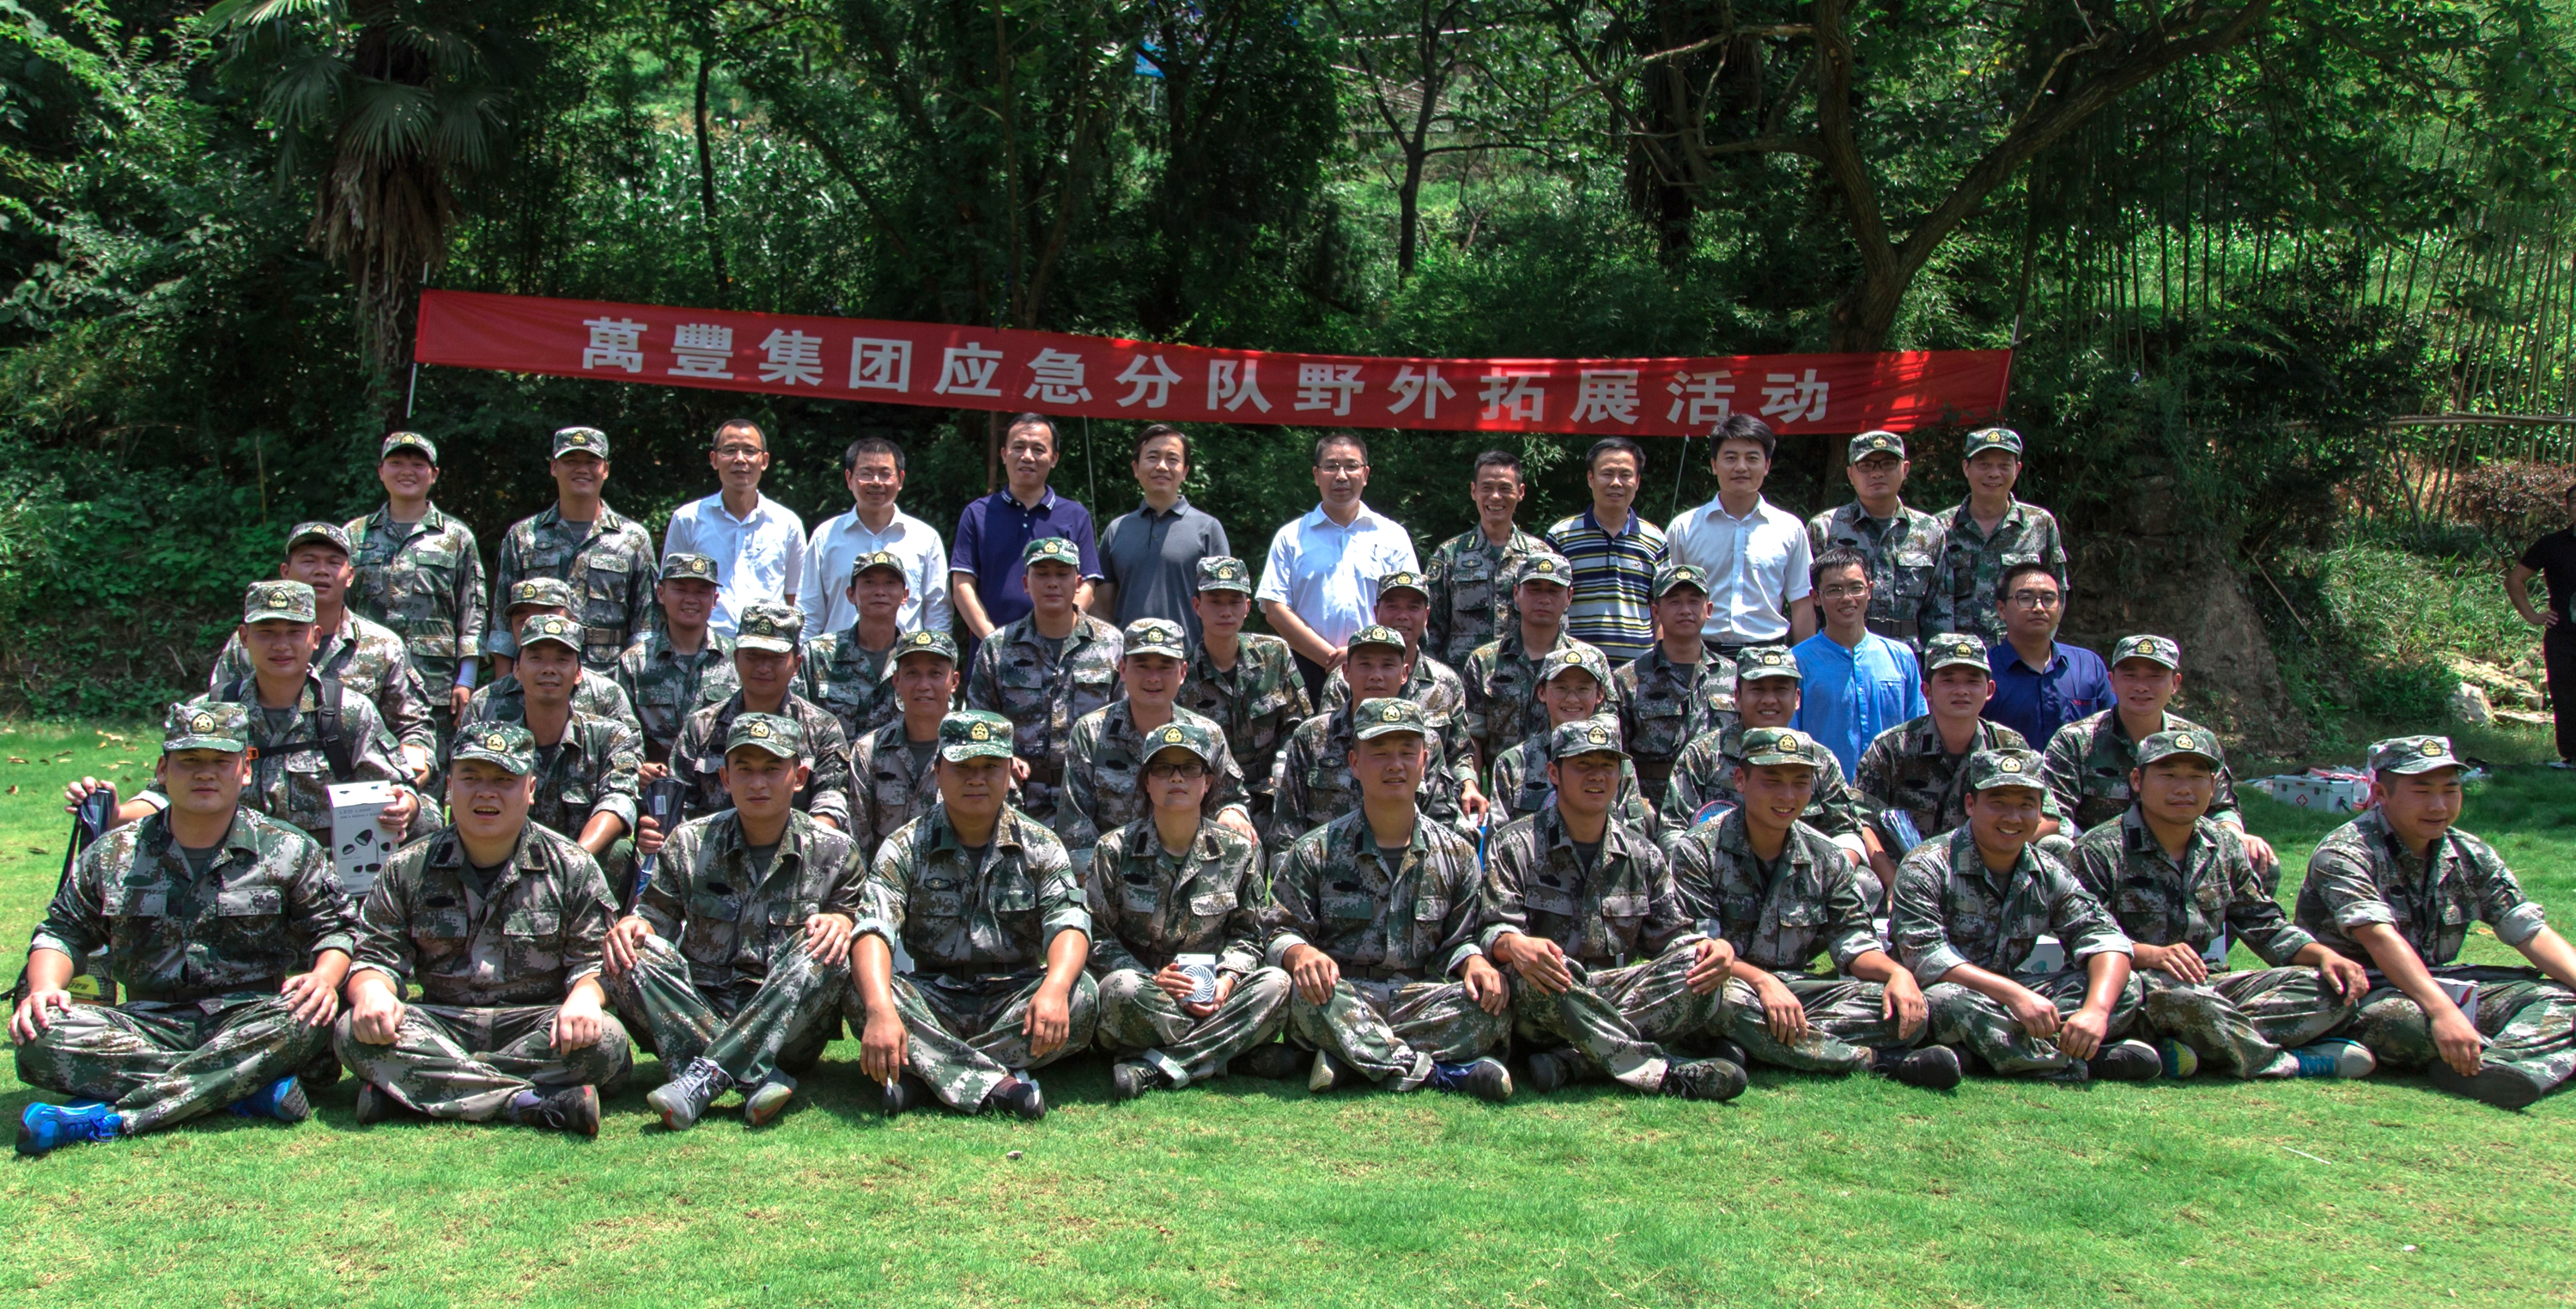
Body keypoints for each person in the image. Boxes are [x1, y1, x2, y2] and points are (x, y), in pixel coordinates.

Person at [15, 703, 353, 1158]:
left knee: (308, 1017)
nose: (204, 773)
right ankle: (246, 1089)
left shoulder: (288, 848)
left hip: (253, 1018)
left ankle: (110, 1119)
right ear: (162, 770)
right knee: (42, 1035)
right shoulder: (115, 852)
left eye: (220, 761)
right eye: (189, 760)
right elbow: (63, 932)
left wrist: (324, 978)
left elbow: (336, 930)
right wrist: (43, 989)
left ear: (245, 771)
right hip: (145, 1023)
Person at [334, 723, 628, 1134]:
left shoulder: (572, 867)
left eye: (504, 780)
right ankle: (528, 1102)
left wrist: (585, 997)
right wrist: (371, 991)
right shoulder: (407, 867)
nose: (486, 793)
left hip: (535, 1024)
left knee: (607, 1039)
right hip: (442, 1022)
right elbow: (376, 956)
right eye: (471, 778)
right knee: (353, 1030)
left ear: (530, 789)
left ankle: (414, 1089)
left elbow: (594, 963)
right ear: (449, 787)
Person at [2066, 730, 2374, 1081]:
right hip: (2134, 990)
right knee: (2184, 999)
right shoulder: (2100, 849)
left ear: (2213, 786)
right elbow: (2080, 938)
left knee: (2329, 988)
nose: (2184, 789)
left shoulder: (2223, 845)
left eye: (2196, 777)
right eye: (2169, 775)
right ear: (2137, 780)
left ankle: (2192, 1046)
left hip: (2205, 984)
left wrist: (2325, 956)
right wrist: (2151, 955)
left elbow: (2263, 923)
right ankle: (2288, 1062)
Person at [609, 713, 865, 1130]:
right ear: (725, 779)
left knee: (826, 945)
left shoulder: (836, 853)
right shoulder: (689, 843)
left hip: (789, 1029)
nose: (757, 783)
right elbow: (655, 919)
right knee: (632, 952)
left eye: (772, 769)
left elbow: (851, 926)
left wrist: (842, 921)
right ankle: (754, 1077)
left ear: (799, 777)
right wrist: (636, 928)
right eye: (744, 770)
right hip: (700, 1006)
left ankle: (703, 1075)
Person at [2293, 735, 2576, 1108]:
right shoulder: (2344, 852)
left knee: (2565, 999)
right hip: (2353, 995)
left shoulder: (2469, 852)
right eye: (2422, 791)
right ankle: (2509, 1056)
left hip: (2435, 985)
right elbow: (2379, 938)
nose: (2438, 805)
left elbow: (2527, 930)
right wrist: (2443, 1012)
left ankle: (2495, 1066)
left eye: (2450, 790)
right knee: (2405, 1022)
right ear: (2381, 793)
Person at [1667, 728, 1959, 1087]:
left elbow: (1855, 943)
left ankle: (1752, 1044)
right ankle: (1877, 1062)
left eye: (1801, 783)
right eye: (1772, 781)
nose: (1787, 796)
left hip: (1799, 993)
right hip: (1731, 984)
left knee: (1904, 1008)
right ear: (1740, 779)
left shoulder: (1827, 855)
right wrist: (1763, 982)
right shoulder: (1698, 850)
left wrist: (1897, 974)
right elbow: (1701, 950)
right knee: (1717, 1002)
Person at [1261, 698, 1515, 1099]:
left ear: (1425, 762)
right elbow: (1278, 931)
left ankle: (1352, 1059)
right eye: (1379, 753)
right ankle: (1440, 1074)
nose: (1395, 765)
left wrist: (1474, 961)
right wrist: (1300, 954)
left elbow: (1461, 939)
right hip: (1341, 994)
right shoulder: (1315, 850)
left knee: (1490, 1006)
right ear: (1355, 763)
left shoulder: (1458, 854)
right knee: (1297, 997)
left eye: (1407, 753)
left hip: (1421, 998)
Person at [1479, 719, 1744, 1100]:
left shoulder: (1643, 855)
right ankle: (1662, 1074)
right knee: (1529, 977)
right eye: (1583, 765)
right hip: (1547, 997)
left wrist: (1712, 950)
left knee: (1700, 973)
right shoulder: (1515, 845)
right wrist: (1514, 945)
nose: (1597, 776)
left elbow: (1674, 938)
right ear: (1554, 773)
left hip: (1617, 993)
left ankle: (1575, 1061)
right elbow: (1492, 928)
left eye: (1608, 766)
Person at [850, 710, 1096, 1121]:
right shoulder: (905, 845)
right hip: (934, 998)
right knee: (863, 993)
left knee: (1081, 994)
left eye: (990, 767)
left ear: (1010, 772)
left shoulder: (1042, 845)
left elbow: (1069, 922)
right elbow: (873, 928)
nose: (976, 779)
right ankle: (1001, 1087)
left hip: (1012, 998)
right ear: (938, 772)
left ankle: (925, 1073)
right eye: (962, 767)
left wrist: (1054, 988)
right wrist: (880, 1010)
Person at [76, 581, 420, 844]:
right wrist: (114, 813)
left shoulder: (348, 713)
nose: (280, 645)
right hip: (230, 881)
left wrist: (405, 805)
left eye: (294, 632)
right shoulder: (207, 713)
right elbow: (165, 796)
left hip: (325, 882)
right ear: (244, 637)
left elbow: (399, 792)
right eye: (266, 633)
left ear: (315, 637)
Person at [1888, 748, 2158, 1081]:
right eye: (1998, 803)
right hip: (1948, 991)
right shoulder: (1926, 865)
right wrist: (2014, 996)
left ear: (2040, 812)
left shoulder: (2047, 871)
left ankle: (1983, 1055)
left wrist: (2095, 1013)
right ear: (1971, 804)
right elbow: (1928, 959)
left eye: (2026, 805)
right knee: (1947, 1001)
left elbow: (2103, 937)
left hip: (2009, 996)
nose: (2013, 818)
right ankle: (2084, 1061)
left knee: (2123, 985)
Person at [1084, 719, 1294, 1100]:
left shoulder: (1238, 852)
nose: (1177, 778)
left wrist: (1227, 980)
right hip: (1147, 993)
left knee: (1275, 985)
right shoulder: (1113, 850)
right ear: (1147, 782)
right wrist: (1153, 978)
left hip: (1214, 994)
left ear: (1208, 782)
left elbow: (1249, 936)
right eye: (1163, 769)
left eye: (1190, 768)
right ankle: (1229, 1052)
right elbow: (1097, 937)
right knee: (1119, 989)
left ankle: (1156, 1066)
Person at [209, 521, 434, 782]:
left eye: (333, 562)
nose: (321, 571)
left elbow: (412, 726)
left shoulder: (383, 647)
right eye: (309, 561)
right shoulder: (248, 646)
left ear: (350, 576)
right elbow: (217, 715)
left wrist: (408, 781)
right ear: (285, 572)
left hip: (352, 786)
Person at [2042, 634, 2275, 877]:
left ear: (2175, 683)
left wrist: (2235, 835)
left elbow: (2222, 807)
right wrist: (2096, 852)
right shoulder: (2075, 741)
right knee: (2054, 846)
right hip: (2099, 861)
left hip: (2179, 855)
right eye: (2130, 676)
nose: (2142, 687)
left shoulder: (2199, 741)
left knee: (2258, 858)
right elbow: (2056, 813)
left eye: (2155, 677)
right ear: (2112, 681)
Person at [1854, 633, 2054, 888]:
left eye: (1973, 681)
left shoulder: (2008, 747)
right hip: (1905, 871)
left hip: (1985, 871)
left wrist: (1993, 847)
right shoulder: (1893, 747)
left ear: (1990, 690)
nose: (1961, 691)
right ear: (1927, 690)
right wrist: (1895, 881)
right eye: (1948, 680)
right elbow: (1862, 822)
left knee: (2055, 846)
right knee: (1862, 880)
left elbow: (2049, 818)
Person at [1061, 618, 1255, 879]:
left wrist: (1231, 812)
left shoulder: (1207, 734)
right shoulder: (1091, 733)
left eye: (1165, 667)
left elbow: (1231, 797)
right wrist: (1095, 885)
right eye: (1142, 666)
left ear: (1183, 673)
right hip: (1114, 875)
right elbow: (1076, 824)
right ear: (1122, 670)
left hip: (1192, 875)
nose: (1153, 678)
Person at [1654, 648, 1872, 874]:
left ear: (1797, 698)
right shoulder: (1704, 755)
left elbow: (1847, 832)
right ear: (1737, 697)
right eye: (1757, 690)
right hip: (1718, 876)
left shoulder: (1820, 760)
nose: (1769, 700)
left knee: (1865, 880)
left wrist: (1825, 876)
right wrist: (1699, 869)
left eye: (1780, 690)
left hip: (1802, 878)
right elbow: (1672, 830)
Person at [964, 536, 1124, 833]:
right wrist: (1001, 756)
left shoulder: (1111, 645)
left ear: (1078, 583)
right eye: (1042, 574)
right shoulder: (997, 648)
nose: (1052, 583)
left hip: (1093, 799)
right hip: (1018, 800)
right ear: (1026, 583)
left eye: (1062, 574)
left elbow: (1126, 722)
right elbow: (978, 721)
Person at [1267, 625, 1468, 855]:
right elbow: (1287, 828)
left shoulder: (1425, 741)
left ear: (1404, 674)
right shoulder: (1313, 736)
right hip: (1325, 869)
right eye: (1365, 664)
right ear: (1346, 672)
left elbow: (1441, 823)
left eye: (1388, 665)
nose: (1376, 675)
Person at [344, 430, 486, 746]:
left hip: (434, 685)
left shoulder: (456, 537)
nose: (406, 471)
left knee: (429, 767)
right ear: (381, 471)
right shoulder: (355, 535)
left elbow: (472, 611)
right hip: (365, 679)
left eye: (417, 464)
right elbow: (340, 608)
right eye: (396, 462)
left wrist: (466, 679)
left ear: (433, 475)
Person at [1256, 430, 1420, 701]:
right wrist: (1331, 658)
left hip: (1377, 671)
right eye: (1331, 466)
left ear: (1365, 474)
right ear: (1316, 474)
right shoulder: (1291, 537)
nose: (1341, 476)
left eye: (1351, 466)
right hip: (1307, 669)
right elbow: (1275, 609)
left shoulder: (1392, 536)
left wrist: (1359, 657)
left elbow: (1410, 607)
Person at [488, 426, 660, 673]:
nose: (582, 469)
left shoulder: (632, 539)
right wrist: (504, 685)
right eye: (570, 461)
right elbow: (503, 625)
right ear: (553, 468)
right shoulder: (523, 536)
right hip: (539, 676)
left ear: (606, 470)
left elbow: (644, 628)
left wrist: (638, 685)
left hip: (609, 676)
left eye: (591, 462)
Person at [1317, 569, 1485, 822]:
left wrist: (1468, 784)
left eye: (1413, 607)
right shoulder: (1345, 681)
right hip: (1348, 805)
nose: (1402, 615)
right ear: (1376, 612)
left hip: (1425, 805)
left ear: (1426, 615)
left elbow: (1459, 753)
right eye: (1392, 606)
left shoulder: (1446, 683)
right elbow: (1326, 743)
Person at [667, 603, 853, 831]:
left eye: (775, 657)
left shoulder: (822, 729)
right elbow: (679, 805)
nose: (763, 667)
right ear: (736, 658)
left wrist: (808, 844)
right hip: (709, 848)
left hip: (797, 847)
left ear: (796, 665)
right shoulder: (702, 726)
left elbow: (830, 802)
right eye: (753, 655)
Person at [491, 615, 642, 886]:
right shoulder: (497, 742)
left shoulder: (610, 736)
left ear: (579, 674)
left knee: (619, 852)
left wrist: (574, 861)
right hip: (509, 863)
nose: (549, 669)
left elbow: (619, 801)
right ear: (517, 670)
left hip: (581, 867)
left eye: (562, 660)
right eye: (536, 658)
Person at [1181, 556, 1312, 838]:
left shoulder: (1275, 655)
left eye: (1234, 601)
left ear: (1247, 607)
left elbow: (1299, 726)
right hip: (1213, 800)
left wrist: (1283, 768)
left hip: (1275, 791)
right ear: (1197, 606)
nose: (1226, 611)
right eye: (1215, 601)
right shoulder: (1183, 675)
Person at [1664, 415, 1815, 655]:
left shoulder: (1789, 529)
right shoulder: (1684, 528)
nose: (1741, 467)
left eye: (1752, 458)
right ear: (1714, 465)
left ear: (1767, 465)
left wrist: (1805, 663)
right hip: (1698, 654)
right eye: (1731, 458)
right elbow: (1665, 599)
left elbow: (1802, 603)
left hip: (1769, 655)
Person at [951, 414, 1103, 648]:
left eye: (1038, 449)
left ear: (1054, 458)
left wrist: (1053, 636)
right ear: (1004, 454)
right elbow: (962, 586)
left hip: (1057, 652)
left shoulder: (1075, 516)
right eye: (1019, 447)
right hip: (992, 655)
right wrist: (996, 643)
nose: (1027, 456)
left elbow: (1087, 588)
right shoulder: (977, 514)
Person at [1461, 552, 1619, 767]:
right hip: (1504, 779)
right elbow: (1472, 736)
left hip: (1571, 779)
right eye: (1534, 590)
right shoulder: (1484, 661)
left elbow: (1607, 728)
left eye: (1554, 591)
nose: (1544, 599)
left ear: (1569, 597)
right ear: (1516, 593)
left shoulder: (1592, 660)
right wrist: (1473, 783)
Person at [1485, 648, 1653, 839]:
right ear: (1542, 692)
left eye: (1583, 689)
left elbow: (1633, 839)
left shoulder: (1618, 764)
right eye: (1561, 688)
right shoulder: (1513, 763)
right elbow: (1498, 840)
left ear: (1600, 694)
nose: (1572, 699)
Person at [660, 418, 805, 637]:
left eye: (749, 451)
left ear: (764, 460)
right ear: (714, 459)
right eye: (730, 450)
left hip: (767, 644)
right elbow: (670, 591)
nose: (740, 459)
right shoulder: (688, 519)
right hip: (705, 645)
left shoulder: (787, 524)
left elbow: (796, 597)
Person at [1792, 547, 1926, 776]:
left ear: (1869, 590)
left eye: (1856, 588)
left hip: (1890, 789)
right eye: (1834, 590)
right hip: (1824, 791)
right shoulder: (1797, 662)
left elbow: (1918, 731)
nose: (1847, 598)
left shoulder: (1901, 658)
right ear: (1815, 597)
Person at [1929, 427, 2069, 647]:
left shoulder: (2040, 524)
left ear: (2017, 469)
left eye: (2004, 465)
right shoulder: (1938, 527)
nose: (1994, 474)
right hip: (1957, 653)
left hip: (2017, 651)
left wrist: (2038, 647)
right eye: (1984, 465)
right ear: (1966, 468)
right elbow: (1928, 599)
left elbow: (2057, 593)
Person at [1805, 430, 1944, 651]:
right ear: (1850, 474)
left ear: (1905, 469)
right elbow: (1808, 606)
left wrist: (1937, 662)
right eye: (1866, 466)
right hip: (1840, 650)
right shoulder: (1825, 528)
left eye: (1888, 464)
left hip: (1906, 653)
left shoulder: (1929, 531)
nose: (1877, 473)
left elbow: (1939, 609)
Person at [1094, 423, 1230, 644]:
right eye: (1152, 457)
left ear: (1184, 472)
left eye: (1172, 459)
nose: (1162, 466)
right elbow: (1102, 608)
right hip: (1129, 659)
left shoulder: (1208, 529)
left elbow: (1223, 604)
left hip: (1189, 658)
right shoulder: (1117, 530)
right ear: (1136, 468)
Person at [804, 435, 951, 641]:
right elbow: (809, 611)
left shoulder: (925, 538)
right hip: (837, 658)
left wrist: (936, 654)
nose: (876, 482)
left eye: (885, 474)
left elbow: (938, 611)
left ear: (900, 479)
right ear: (849, 479)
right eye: (866, 473)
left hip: (905, 657)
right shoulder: (826, 536)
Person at [1614, 563, 1736, 805]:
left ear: (1709, 609)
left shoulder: (1734, 677)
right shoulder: (1628, 679)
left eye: (1694, 601)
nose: (1685, 610)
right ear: (1656, 611)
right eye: (1674, 602)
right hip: (1653, 809)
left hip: (1719, 809)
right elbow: (1617, 758)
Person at [465, 577, 645, 737]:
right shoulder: (485, 703)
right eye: (524, 621)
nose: (537, 626)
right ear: (511, 629)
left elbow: (627, 754)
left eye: (547, 615)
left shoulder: (606, 695)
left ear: (572, 624)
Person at [1546, 437, 1668, 664]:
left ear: (1637, 481)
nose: (1616, 483)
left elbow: (1662, 610)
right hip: (1576, 668)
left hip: (1639, 670)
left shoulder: (1655, 540)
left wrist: (1661, 662)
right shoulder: (1562, 536)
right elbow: (1548, 602)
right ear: (1590, 478)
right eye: (1607, 473)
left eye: (1625, 475)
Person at [612, 553, 738, 770]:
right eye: (680, 590)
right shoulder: (635, 663)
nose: (691, 599)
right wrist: (637, 768)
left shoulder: (737, 659)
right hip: (656, 783)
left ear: (715, 600)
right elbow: (618, 732)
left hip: (718, 782)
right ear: (661, 594)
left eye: (701, 592)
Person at [1423, 449, 1547, 668]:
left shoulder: (1540, 555)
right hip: (1464, 678)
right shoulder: (1449, 555)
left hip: (1523, 678)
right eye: (1487, 488)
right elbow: (1431, 630)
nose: (1495, 497)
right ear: (1474, 491)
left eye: (1505, 488)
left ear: (1521, 492)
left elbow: (1555, 625)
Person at [1980, 563, 2111, 752]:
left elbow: (2112, 729)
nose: (2039, 608)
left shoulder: (2088, 666)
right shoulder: (1984, 669)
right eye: (2026, 599)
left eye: (2048, 599)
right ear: (2001, 609)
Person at [800, 551, 909, 742]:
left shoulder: (916, 658)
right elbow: (798, 724)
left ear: (904, 595)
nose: (880, 591)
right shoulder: (818, 655)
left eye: (890, 583)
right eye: (869, 582)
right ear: (851, 594)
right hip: (833, 761)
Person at [2505, 482, 2576, 767]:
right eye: (2574, 501)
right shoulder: (2552, 544)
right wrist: (2532, 615)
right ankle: (2571, 758)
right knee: (2566, 696)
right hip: (2563, 635)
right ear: (2567, 508)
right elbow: (2514, 580)